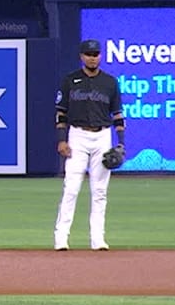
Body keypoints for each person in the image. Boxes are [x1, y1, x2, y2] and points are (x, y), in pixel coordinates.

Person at [52, 39, 125, 251]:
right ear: (81, 57)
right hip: (77, 135)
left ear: (100, 56)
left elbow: (118, 115)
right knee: (71, 188)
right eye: (88, 54)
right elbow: (61, 112)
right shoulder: (69, 81)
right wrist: (62, 139)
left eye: (96, 54)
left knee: (100, 191)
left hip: (102, 136)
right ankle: (61, 238)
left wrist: (121, 143)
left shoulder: (110, 82)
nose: (92, 57)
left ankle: (97, 239)